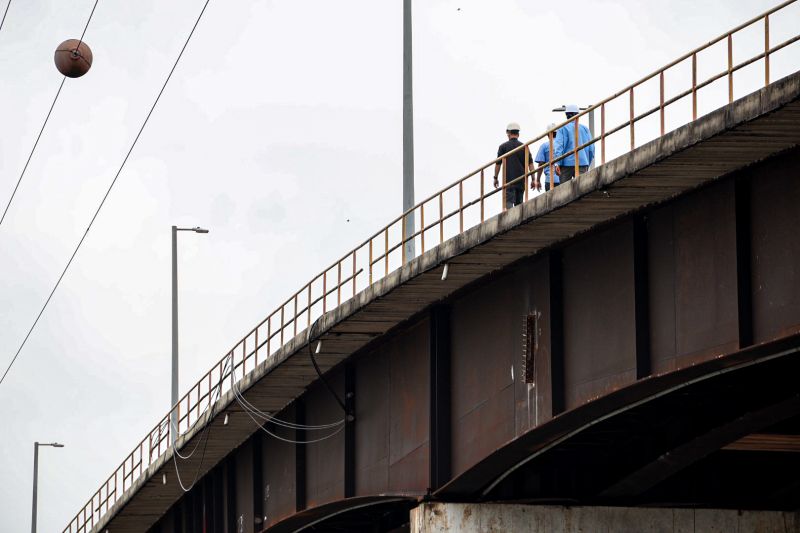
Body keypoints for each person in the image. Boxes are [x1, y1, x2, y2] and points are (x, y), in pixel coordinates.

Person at [494, 122, 534, 208]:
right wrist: (533, 179)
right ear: (518, 134)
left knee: (508, 203)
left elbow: (498, 164)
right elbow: (530, 164)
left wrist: (495, 178)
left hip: (508, 180)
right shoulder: (524, 147)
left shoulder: (503, 147)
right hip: (521, 180)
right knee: (519, 205)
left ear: (508, 133)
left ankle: (510, 220)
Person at [553, 104, 595, 183]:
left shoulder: (562, 128)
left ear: (566, 115)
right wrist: (587, 163)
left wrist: (557, 163)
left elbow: (559, 147)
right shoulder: (585, 129)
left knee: (564, 191)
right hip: (582, 163)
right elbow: (591, 149)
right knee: (582, 190)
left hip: (566, 164)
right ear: (578, 115)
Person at [534, 123, 558, 191]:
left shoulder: (544, 146)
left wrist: (538, 180)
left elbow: (541, 164)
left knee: (550, 201)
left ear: (547, 134)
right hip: (562, 178)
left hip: (549, 180)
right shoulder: (562, 145)